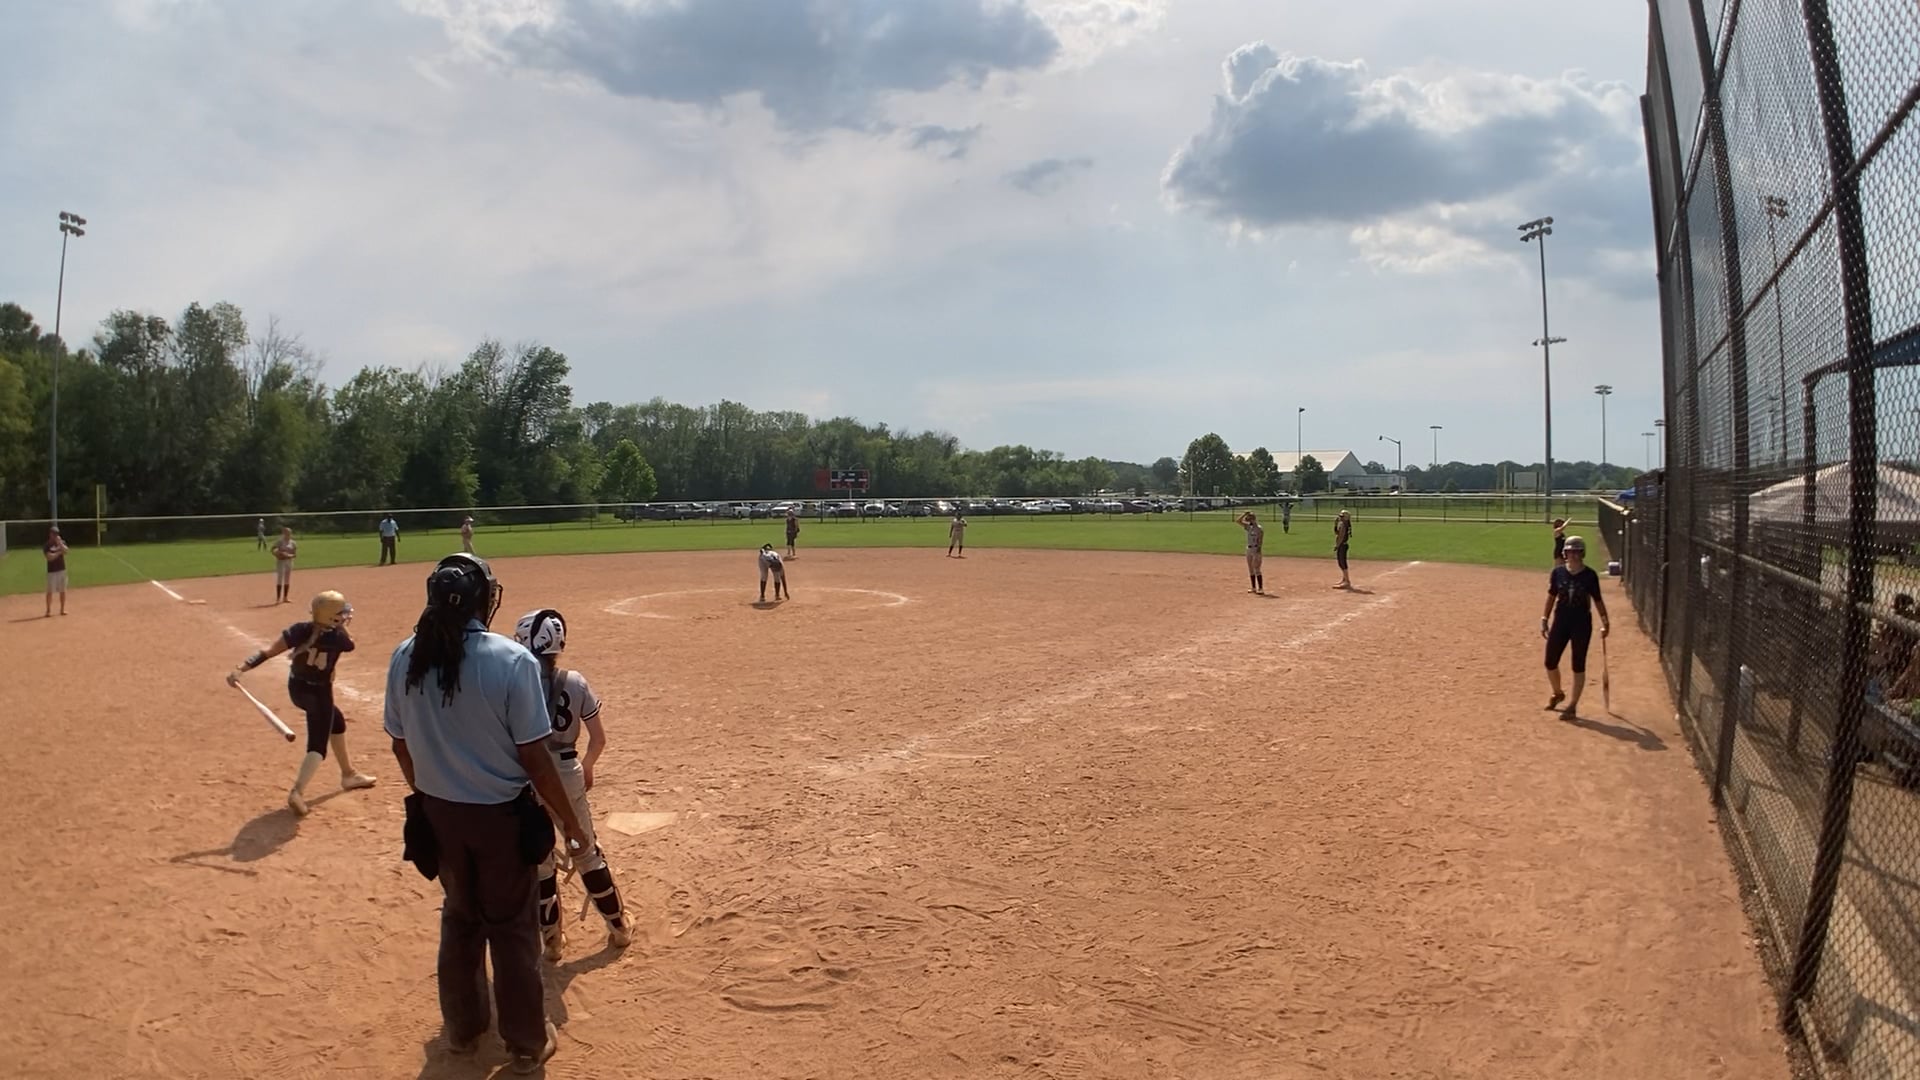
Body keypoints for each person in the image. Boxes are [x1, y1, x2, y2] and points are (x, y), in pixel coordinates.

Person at [383, 553, 590, 1073]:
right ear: (483, 600)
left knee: (460, 918)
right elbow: (535, 759)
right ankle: (525, 1042)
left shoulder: (405, 655)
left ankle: (463, 1030)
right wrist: (570, 823)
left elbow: (400, 745)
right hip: (500, 818)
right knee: (513, 927)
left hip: (440, 816)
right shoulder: (511, 660)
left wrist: (428, 793)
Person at [512, 608, 631, 960]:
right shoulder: (575, 681)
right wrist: (587, 767)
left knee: (540, 859)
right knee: (586, 851)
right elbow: (598, 739)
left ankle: (552, 941)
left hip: (529, 773)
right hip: (567, 771)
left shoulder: (516, 683)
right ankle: (619, 927)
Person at [227, 591, 378, 814]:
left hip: (297, 690)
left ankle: (348, 774)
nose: (344, 616)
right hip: (319, 694)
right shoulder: (339, 639)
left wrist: (240, 669)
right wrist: (339, 625)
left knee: (336, 722)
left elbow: (268, 652)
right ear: (331, 617)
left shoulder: (300, 630)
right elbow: (350, 643)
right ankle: (297, 792)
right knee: (317, 747)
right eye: (340, 614)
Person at [1539, 535, 1611, 715]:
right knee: (1550, 661)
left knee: (1578, 664)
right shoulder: (1558, 573)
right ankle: (1557, 693)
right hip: (1561, 621)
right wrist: (1544, 618)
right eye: (1570, 552)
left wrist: (1605, 622)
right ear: (1565, 553)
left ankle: (1573, 705)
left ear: (1582, 553)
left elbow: (1597, 600)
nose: (1573, 555)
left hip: (1581, 623)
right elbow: (1551, 596)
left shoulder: (1590, 575)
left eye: (1577, 552)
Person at [1237, 511, 1266, 594]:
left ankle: (1260, 588)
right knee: (1250, 569)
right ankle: (1253, 587)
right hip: (1249, 548)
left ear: (1253, 519)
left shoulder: (1259, 529)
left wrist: (1259, 549)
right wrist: (1244, 514)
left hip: (1256, 549)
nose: (1249, 520)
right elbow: (1238, 521)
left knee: (1257, 568)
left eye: (1250, 519)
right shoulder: (1248, 527)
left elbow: (1260, 540)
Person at [44, 526, 69, 617]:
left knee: (63, 590)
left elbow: (66, 551)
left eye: (57, 534)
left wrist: (60, 544)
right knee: (50, 591)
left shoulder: (61, 542)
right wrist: (59, 553)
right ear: (50, 534)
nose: (55, 536)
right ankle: (48, 610)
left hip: (62, 570)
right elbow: (49, 557)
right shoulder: (47, 545)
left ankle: (62, 609)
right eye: (54, 534)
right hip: (52, 571)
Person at [271, 526, 298, 604]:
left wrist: (289, 555)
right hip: (281, 562)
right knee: (280, 579)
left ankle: (285, 598)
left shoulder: (293, 543)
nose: (287, 534)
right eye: (286, 533)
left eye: (289, 533)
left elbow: (295, 554)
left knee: (287, 579)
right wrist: (277, 554)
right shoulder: (279, 542)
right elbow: (273, 549)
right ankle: (278, 598)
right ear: (283, 533)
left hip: (289, 562)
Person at [1332, 510, 1353, 589]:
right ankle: (1344, 579)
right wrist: (1335, 524)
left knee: (1342, 563)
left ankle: (1347, 581)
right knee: (1341, 562)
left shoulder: (1343, 525)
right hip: (1343, 545)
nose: (1340, 518)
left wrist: (1337, 545)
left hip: (1342, 545)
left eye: (1342, 517)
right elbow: (1337, 533)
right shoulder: (1345, 524)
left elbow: (1340, 536)